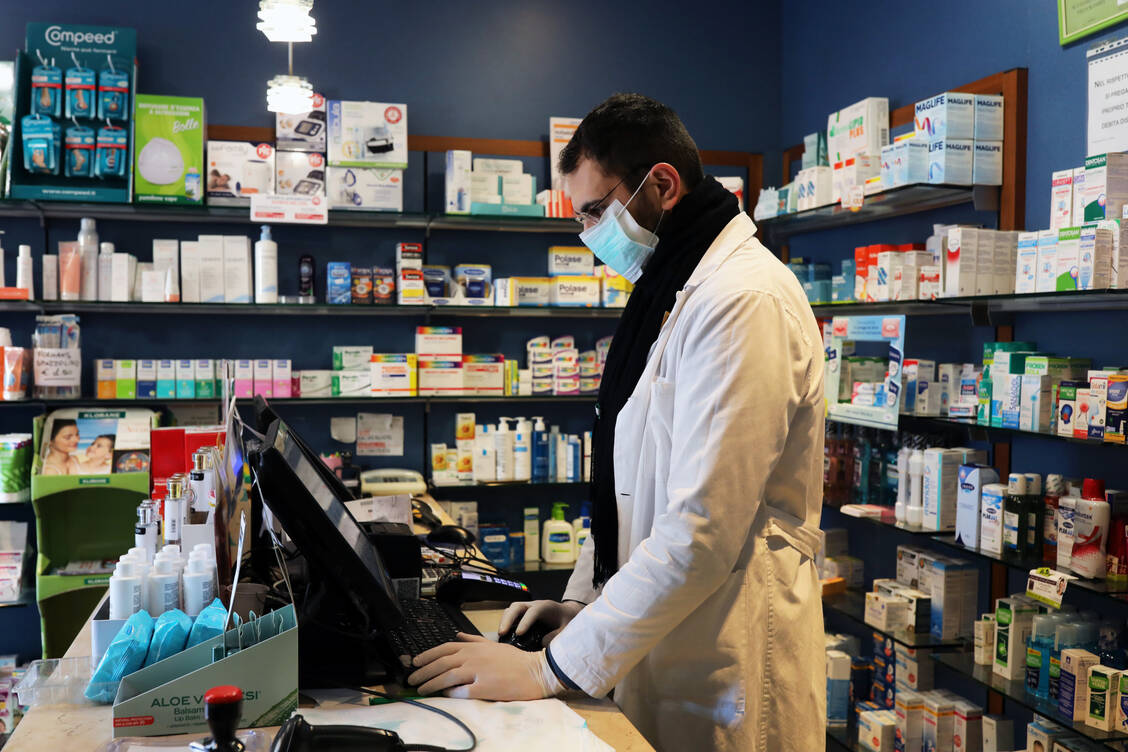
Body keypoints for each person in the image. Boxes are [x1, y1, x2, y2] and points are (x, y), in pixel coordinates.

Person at [409, 93, 826, 751]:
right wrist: (581, 608)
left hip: (731, 658)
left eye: (598, 211)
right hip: (667, 645)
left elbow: (701, 532)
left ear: (662, 183)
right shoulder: (673, 292)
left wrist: (548, 668)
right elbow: (628, 492)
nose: (589, 234)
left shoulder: (742, 300)